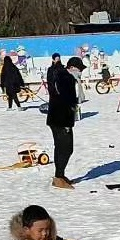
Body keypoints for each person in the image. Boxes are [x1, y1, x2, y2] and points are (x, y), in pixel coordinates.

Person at [47, 56, 80, 189]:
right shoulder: (65, 78)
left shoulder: (66, 77)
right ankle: (58, 177)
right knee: (65, 148)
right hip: (60, 119)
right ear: (71, 67)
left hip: (59, 119)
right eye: (79, 69)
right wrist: (70, 110)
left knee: (64, 148)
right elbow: (64, 100)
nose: (80, 72)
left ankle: (60, 175)